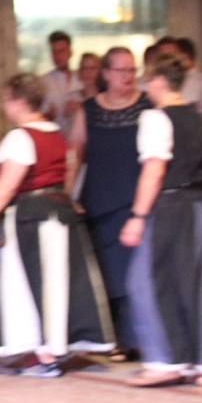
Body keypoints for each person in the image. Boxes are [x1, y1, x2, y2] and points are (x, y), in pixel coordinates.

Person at [0, 74, 113, 376]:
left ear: (20, 102)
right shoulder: (55, 133)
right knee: (52, 284)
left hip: (33, 219)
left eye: (7, 99)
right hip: (57, 216)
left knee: (33, 284)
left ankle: (46, 355)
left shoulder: (21, 138)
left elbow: (6, 186)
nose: (5, 105)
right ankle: (48, 349)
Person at [122, 58, 202, 387]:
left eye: (148, 79)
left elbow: (154, 170)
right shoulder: (198, 116)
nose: (145, 86)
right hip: (200, 205)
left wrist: (137, 216)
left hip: (171, 205)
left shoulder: (156, 118)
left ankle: (167, 359)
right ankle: (200, 363)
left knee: (149, 279)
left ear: (160, 81)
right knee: (194, 282)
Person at [69, 47, 151, 359]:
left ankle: (136, 338)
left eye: (131, 70)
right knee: (107, 272)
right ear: (106, 74)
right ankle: (113, 337)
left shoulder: (147, 105)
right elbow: (75, 153)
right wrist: (68, 193)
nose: (127, 76)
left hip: (136, 199)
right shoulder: (89, 109)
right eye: (121, 70)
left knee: (134, 270)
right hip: (100, 199)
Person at [41, 30, 74, 126]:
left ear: (70, 53)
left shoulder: (81, 79)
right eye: (54, 52)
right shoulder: (43, 82)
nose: (58, 56)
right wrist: (48, 116)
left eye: (62, 51)